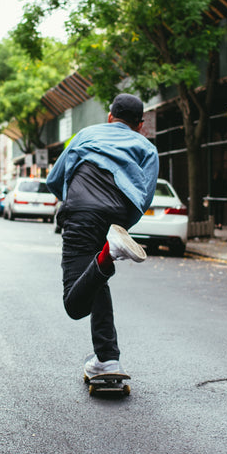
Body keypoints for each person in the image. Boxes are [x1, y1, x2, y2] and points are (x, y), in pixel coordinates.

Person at [46, 93, 160, 380]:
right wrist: (121, 228)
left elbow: (53, 179)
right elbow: (143, 198)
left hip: (82, 214)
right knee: (97, 282)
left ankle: (108, 254)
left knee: (74, 305)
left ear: (110, 116)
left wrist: (71, 200)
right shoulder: (146, 147)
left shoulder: (86, 134)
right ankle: (107, 359)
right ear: (140, 124)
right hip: (116, 218)